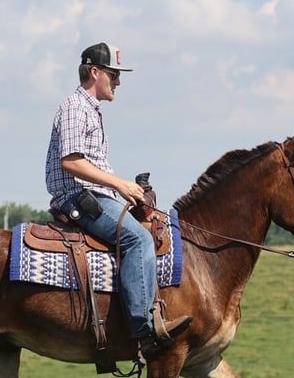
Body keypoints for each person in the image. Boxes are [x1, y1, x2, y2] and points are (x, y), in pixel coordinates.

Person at [45, 42, 192, 358]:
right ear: (94, 72)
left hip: (95, 194)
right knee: (138, 239)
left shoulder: (90, 109)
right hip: (77, 197)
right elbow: (71, 161)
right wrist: (120, 184)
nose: (118, 82)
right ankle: (144, 331)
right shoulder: (75, 107)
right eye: (113, 74)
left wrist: (129, 190)